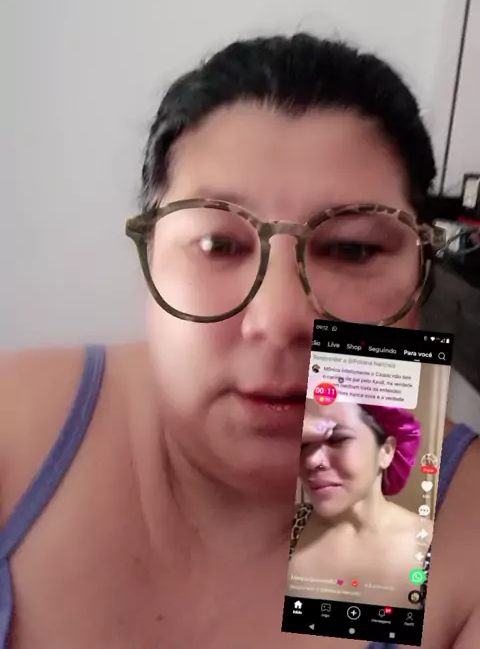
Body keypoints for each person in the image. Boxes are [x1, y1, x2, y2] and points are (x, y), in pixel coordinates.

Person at [0, 33, 479, 649]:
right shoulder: (16, 433)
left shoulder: (461, 539)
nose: (279, 318)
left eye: (353, 249)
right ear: (149, 257)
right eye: (218, 245)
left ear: (421, 271)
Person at [288, 400, 432, 609]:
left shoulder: (433, 548)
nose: (310, 461)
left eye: (338, 439)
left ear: (386, 451)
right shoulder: (284, 528)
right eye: (303, 444)